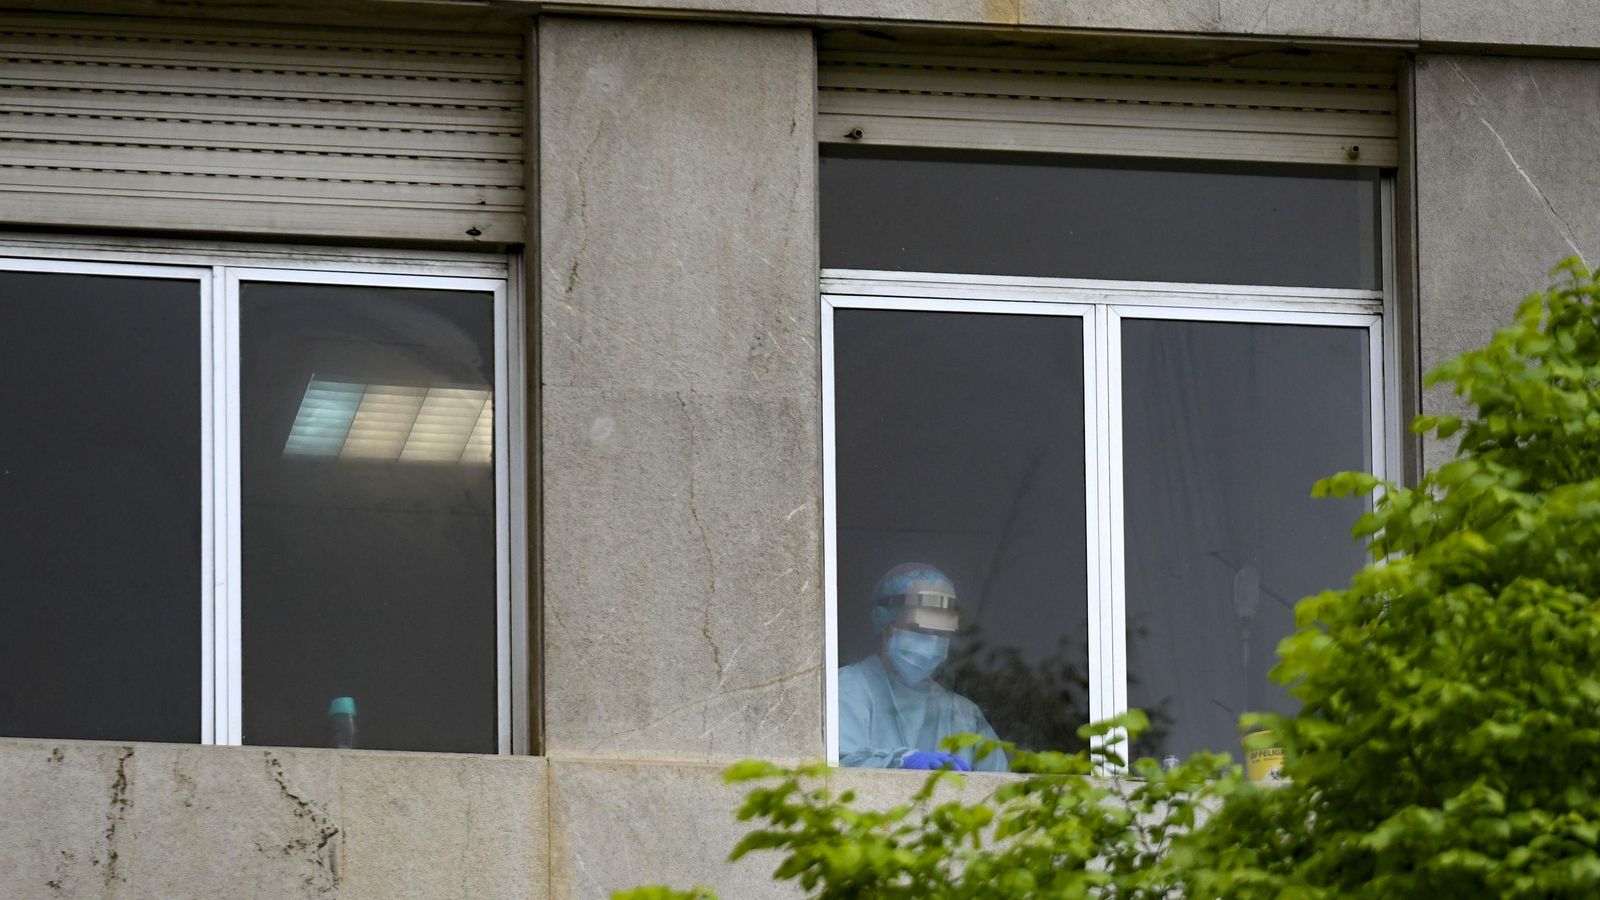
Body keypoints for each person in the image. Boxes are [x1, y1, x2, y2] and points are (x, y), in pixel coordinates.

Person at [838, 562, 1007, 772]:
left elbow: (1001, 789)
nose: (932, 642)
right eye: (918, 629)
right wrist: (902, 761)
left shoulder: (963, 715)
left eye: (941, 633)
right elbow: (835, 769)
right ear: (886, 627)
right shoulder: (848, 689)